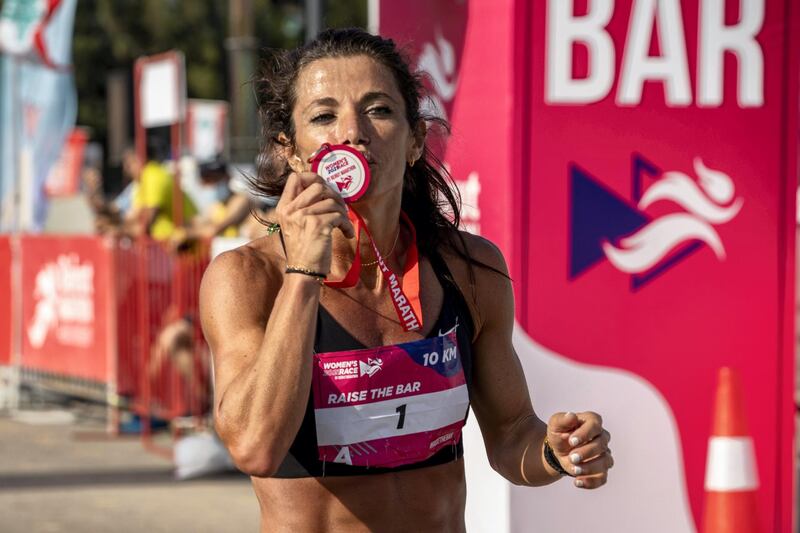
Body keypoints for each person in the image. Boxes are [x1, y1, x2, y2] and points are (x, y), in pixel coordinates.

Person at [199, 28, 613, 532]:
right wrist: (304, 272)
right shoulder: (247, 278)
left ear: (415, 140)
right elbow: (255, 447)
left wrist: (558, 450)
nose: (352, 133)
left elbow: (510, 437)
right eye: (324, 116)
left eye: (378, 110)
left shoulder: (469, 269)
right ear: (291, 151)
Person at [122, 147, 199, 241]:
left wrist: (135, 236)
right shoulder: (142, 180)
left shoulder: (153, 175)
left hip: (186, 239)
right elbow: (135, 213)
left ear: (140, 160)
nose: (127, 170)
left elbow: (151, 213)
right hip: (169, 239)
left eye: (129, 164)